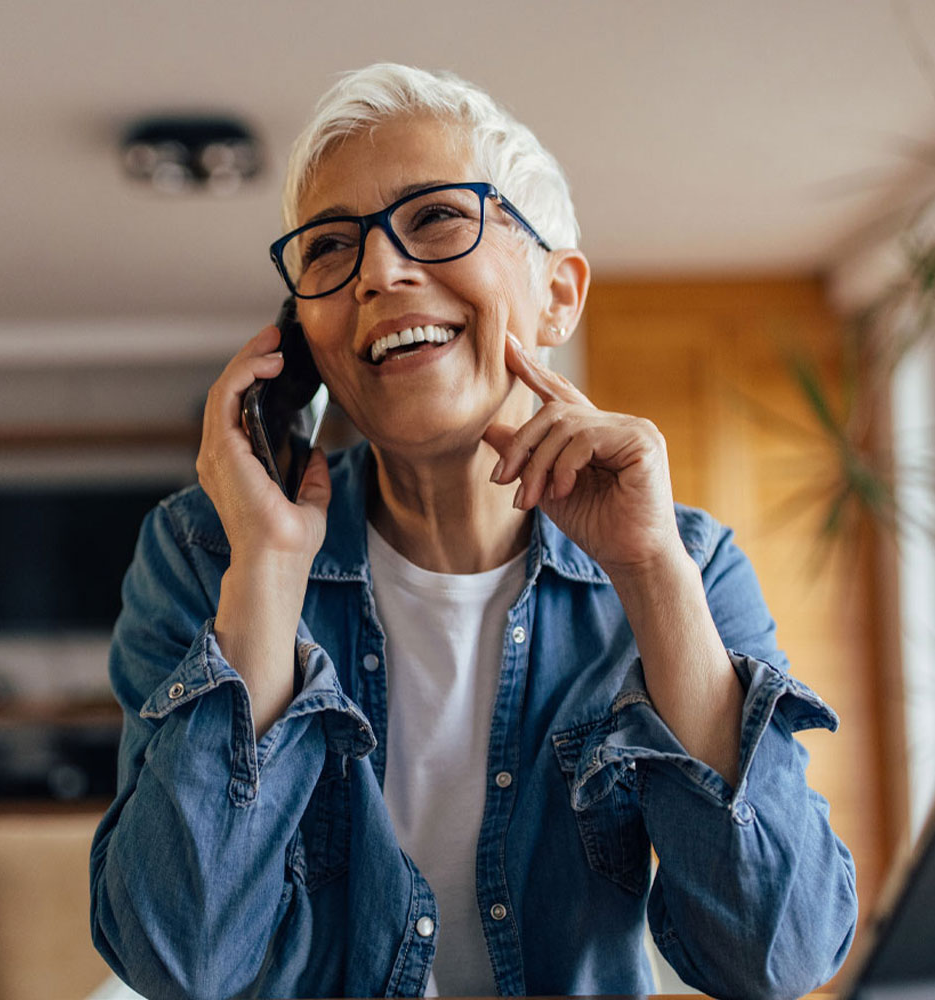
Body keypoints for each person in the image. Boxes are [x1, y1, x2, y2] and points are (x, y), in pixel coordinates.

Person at [90, 63, 858, 1000]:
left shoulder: (688, 561)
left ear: (557, 294)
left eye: (438, 218)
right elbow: (180, 961)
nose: (378, 270)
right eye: (329, 247)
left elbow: (775, 956)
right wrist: (267, 569)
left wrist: (650, 571)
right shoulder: (203, 555)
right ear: (305, 336)